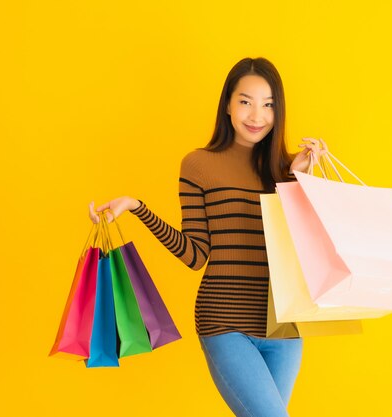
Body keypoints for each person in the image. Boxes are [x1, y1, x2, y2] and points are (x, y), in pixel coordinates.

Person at [88, 57, 327, 417]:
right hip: (224, 322)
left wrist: (299, 181)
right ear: (228, 104)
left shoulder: (288, 168)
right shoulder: (198, 165)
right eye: (245, 101)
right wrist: (138, 207)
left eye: (268, 105)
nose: (256, 115)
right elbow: (195, 255)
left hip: (285, 328)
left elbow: (303, 252)